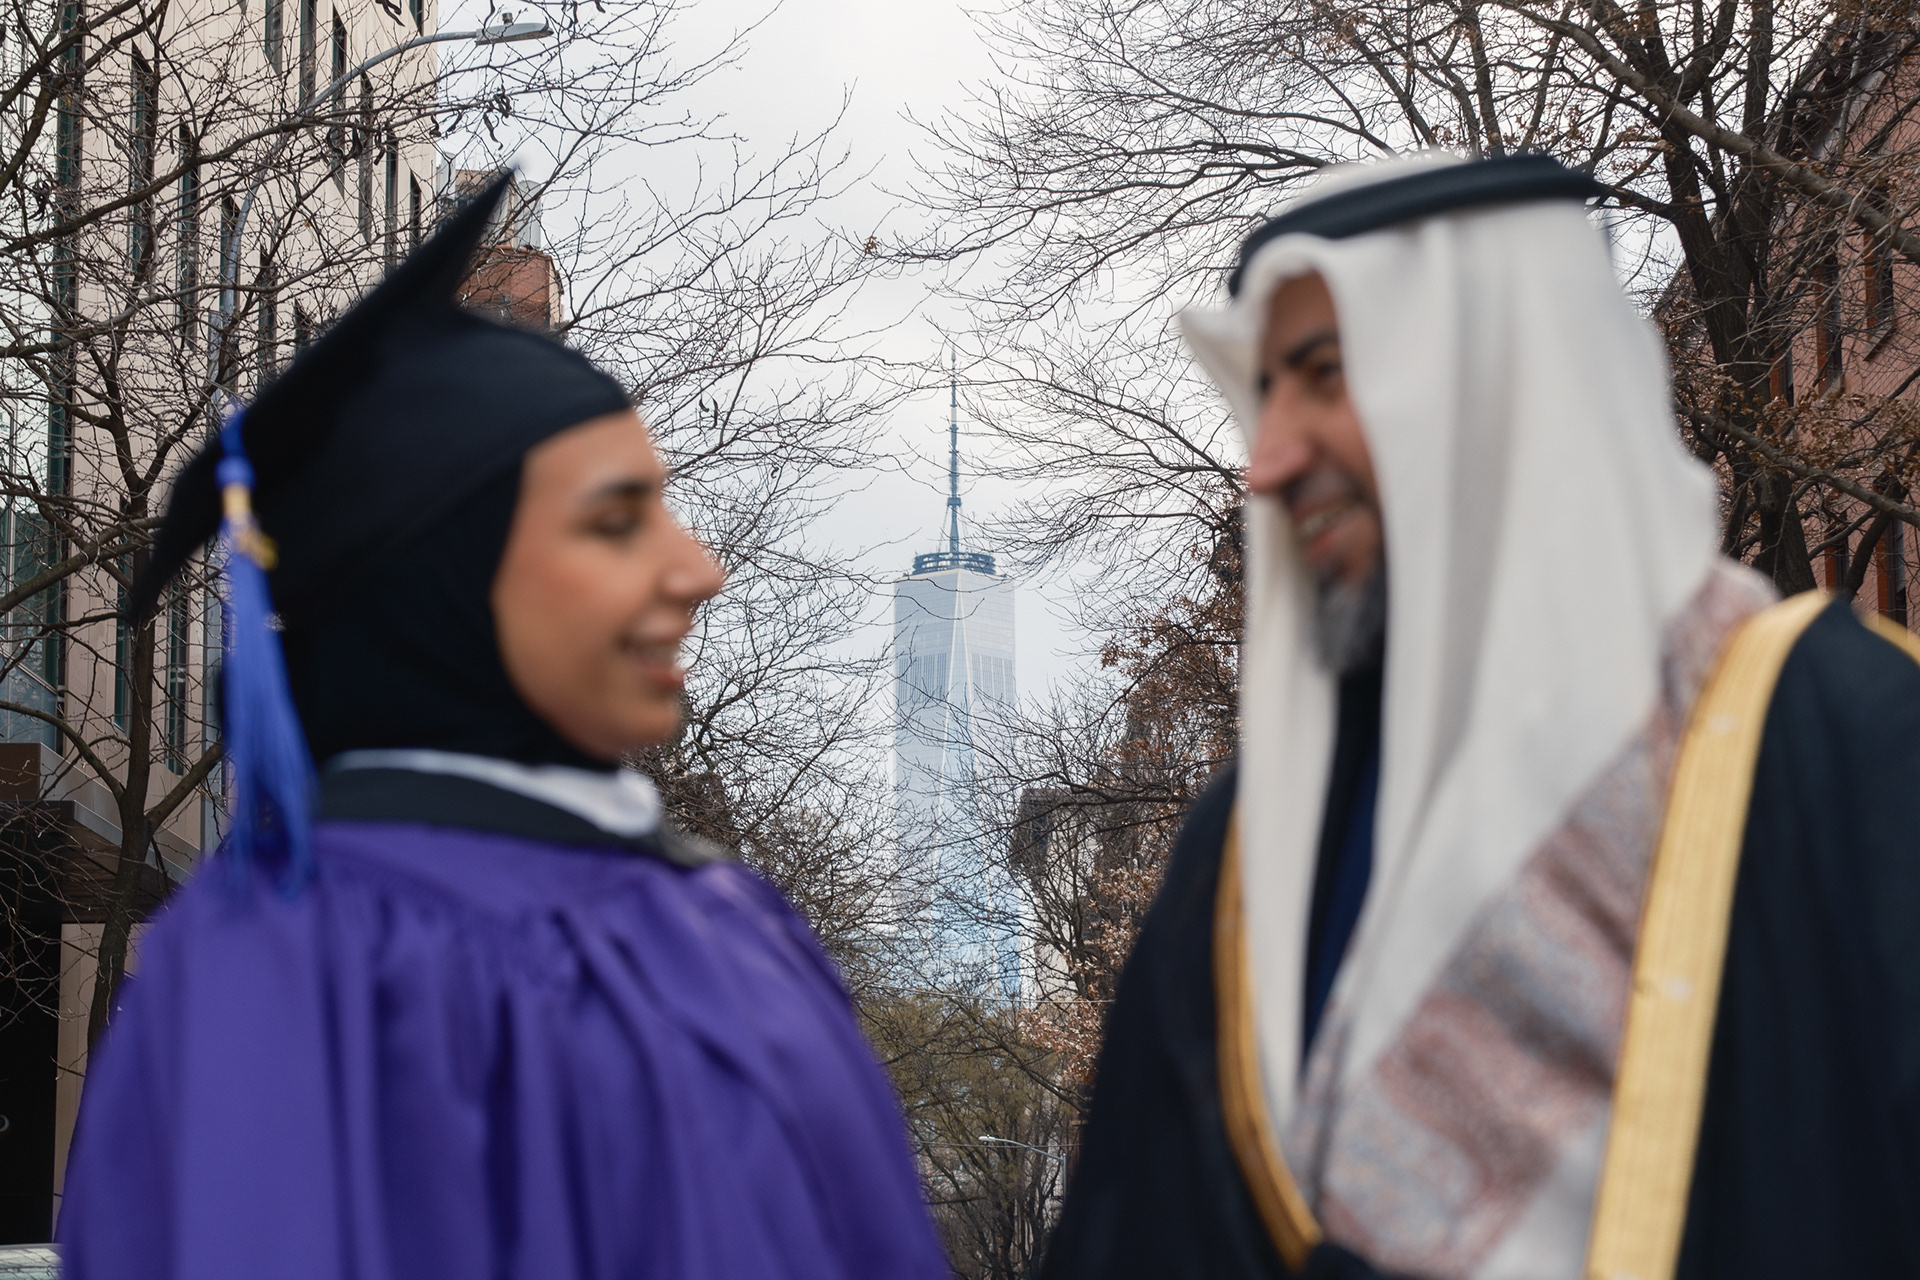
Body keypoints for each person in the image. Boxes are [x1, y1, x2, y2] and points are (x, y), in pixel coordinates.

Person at [1038, 153, 1920, 1280]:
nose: (1268, 461)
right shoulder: (1243, 859)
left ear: (1509, 381)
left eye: (1326, 375)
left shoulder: (1852, 748)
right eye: (1265, 396)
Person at [58, 174, 950, 1280]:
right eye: (617, 520)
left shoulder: (724, 914)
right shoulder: (305, 965)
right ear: (443, 571)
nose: (696, 570)